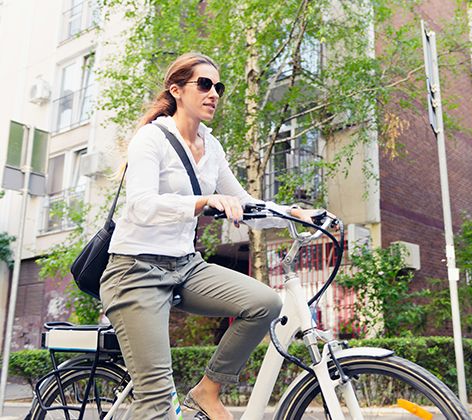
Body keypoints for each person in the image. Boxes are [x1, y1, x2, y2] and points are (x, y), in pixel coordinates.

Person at [101, 52, 320, 420]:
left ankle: (207, 391)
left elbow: (245, 203)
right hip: (135, 270)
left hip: (185, 266)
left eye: (218, 86)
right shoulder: (150, 139)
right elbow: (140, 205)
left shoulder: (212, 147)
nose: (214, 93)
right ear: (176, 91)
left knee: (265, 303)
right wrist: (203, 201)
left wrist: (292, 214)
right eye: (204, 84)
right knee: (156, 404)